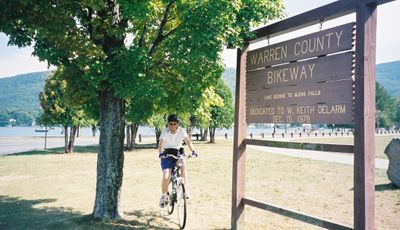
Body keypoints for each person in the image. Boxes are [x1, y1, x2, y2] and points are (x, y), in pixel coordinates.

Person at [158, 114, 197, 208]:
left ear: (178, 124)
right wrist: (161, 153)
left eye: (175, 124)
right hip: (166, 153)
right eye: (170, 124)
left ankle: (185, 190)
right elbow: (161, 143)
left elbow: (188, 142)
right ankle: (164, 195)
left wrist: (193, 151)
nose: (172, 126)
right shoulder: (165, 131)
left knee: (183, 165)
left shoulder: (182, 131)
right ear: (168, 124)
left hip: (178, 152)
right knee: (166, 175)